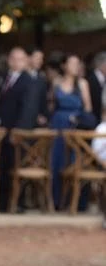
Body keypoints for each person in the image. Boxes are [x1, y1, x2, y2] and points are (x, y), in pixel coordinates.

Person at [0, 47, 39, 212]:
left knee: (16, 166)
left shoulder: (29, 81)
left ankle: (16, 203)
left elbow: (29, 108)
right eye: (13, 58)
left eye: (20, 59)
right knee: (3, 167)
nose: (16, 62)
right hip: (3, 129)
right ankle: (2, 203)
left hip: (17, 132)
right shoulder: (4, 78)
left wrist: (20, 130)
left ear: (26, 61)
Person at [48, 53, 93, 210]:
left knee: (73, 161)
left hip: (75, 126)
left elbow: (88, 108)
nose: (75, 66)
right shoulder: (56, 82)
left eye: (77, 63)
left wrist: (79, 119)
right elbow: (51, 105)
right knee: (56, 160)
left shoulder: (82, 84)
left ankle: (73, 201)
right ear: (64, 65)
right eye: (72, 63)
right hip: (58, 125)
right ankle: (56, 200)